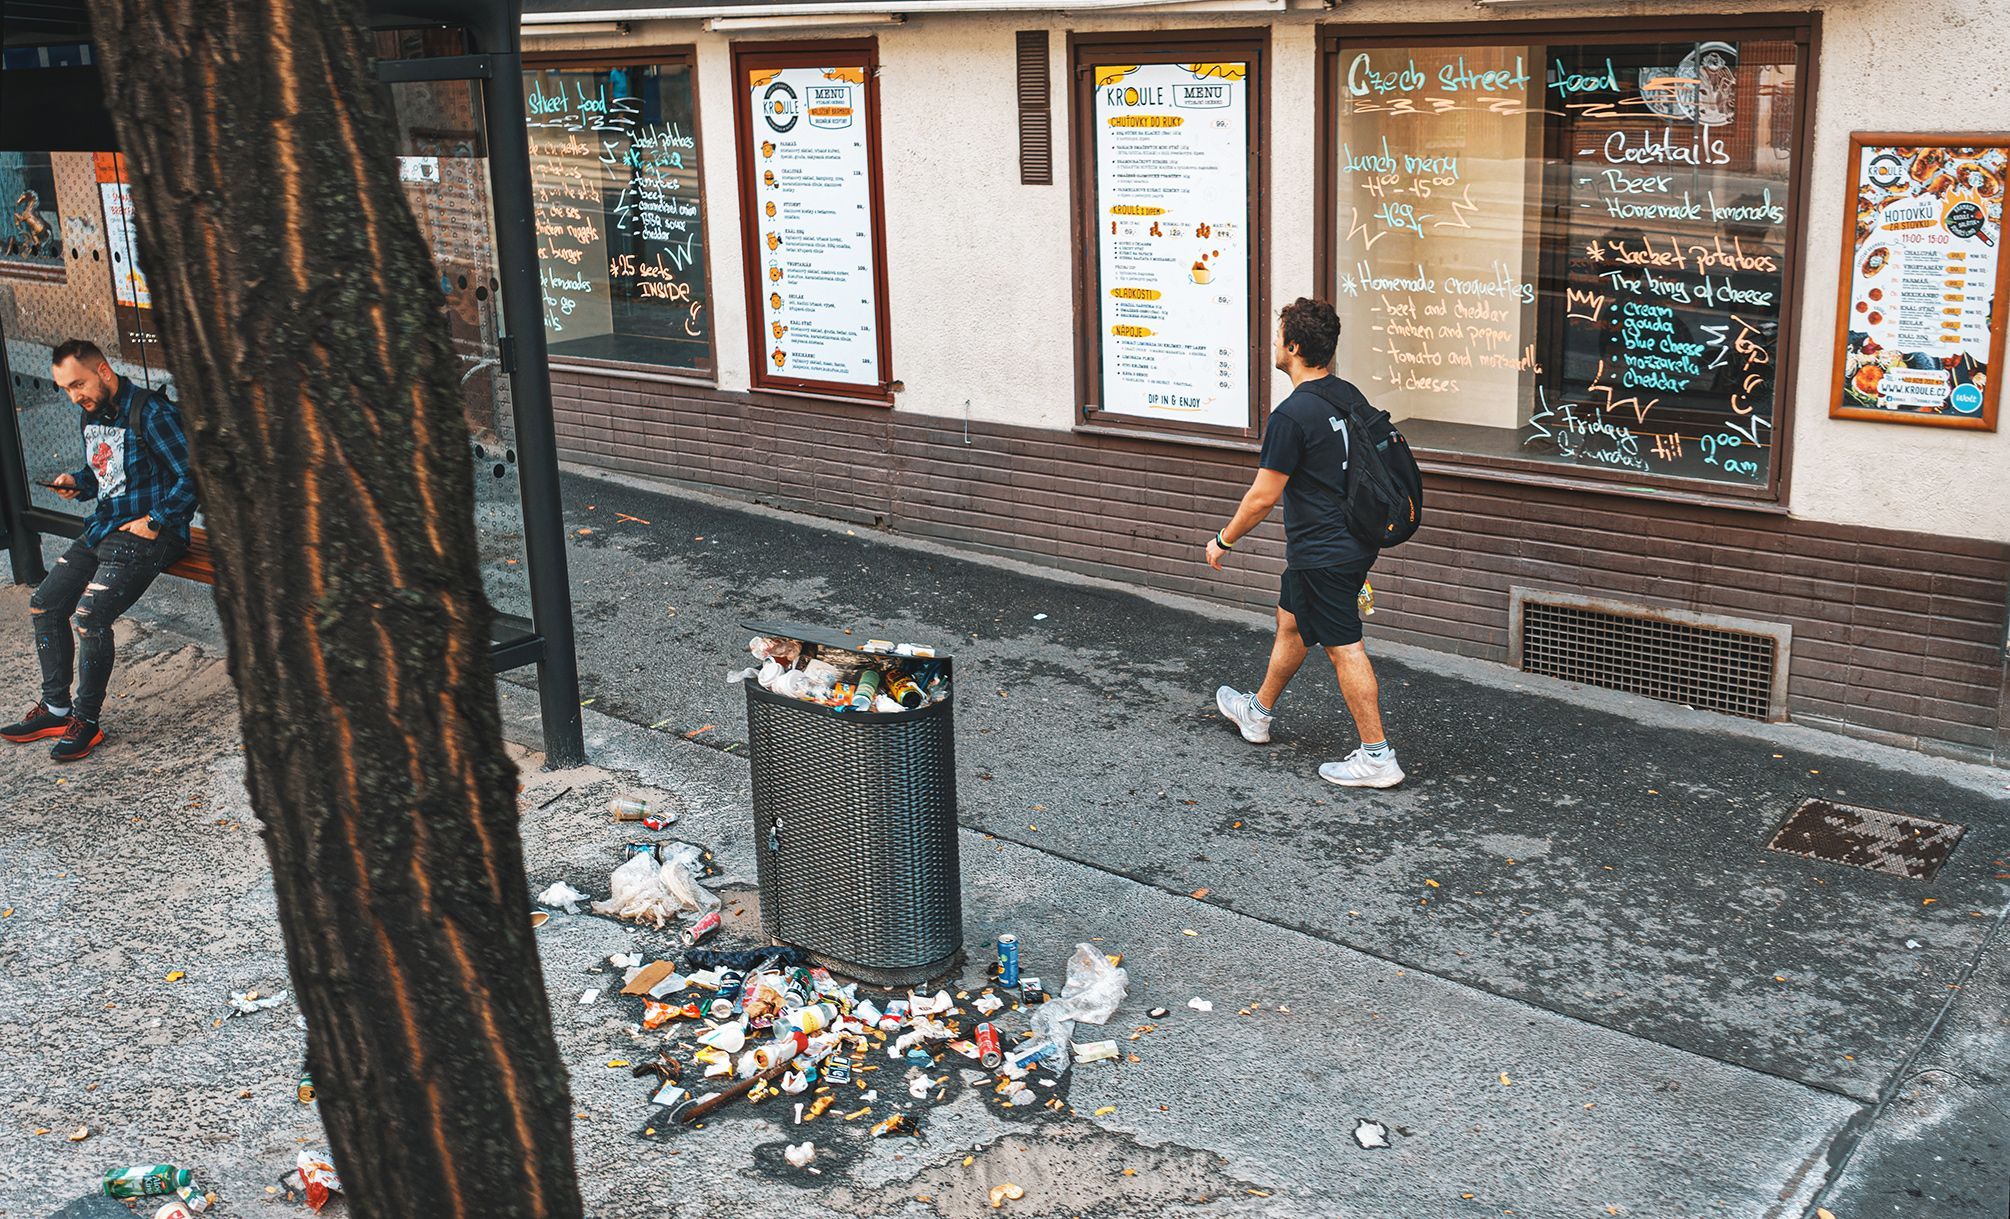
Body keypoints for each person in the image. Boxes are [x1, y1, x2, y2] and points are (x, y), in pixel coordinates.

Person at [1206, 298, 1402, 788]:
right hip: (1350, 542)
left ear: (1293, 347)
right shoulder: (1347, 395)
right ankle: (1257, 712)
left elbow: (1261, 498)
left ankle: (1377, 757)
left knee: (1345, 648)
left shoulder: (1292, 416)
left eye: (1278, 338)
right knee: (1291, 623)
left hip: (1324, 552)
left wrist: (1223, 540)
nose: (1274, 344)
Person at [2, 339, 197, 761]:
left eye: (78, 384)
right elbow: (105, 473)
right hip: (104, 528)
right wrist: (78, 481)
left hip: (152, 534)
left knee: (91, 616)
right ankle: (55, 708)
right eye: (66, 389)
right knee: (45, 603)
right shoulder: (91, 414)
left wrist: (156, 520)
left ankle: (86, 723)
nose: (75, 397)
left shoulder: (152, 412)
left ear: (104, 371)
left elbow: (194, 475)